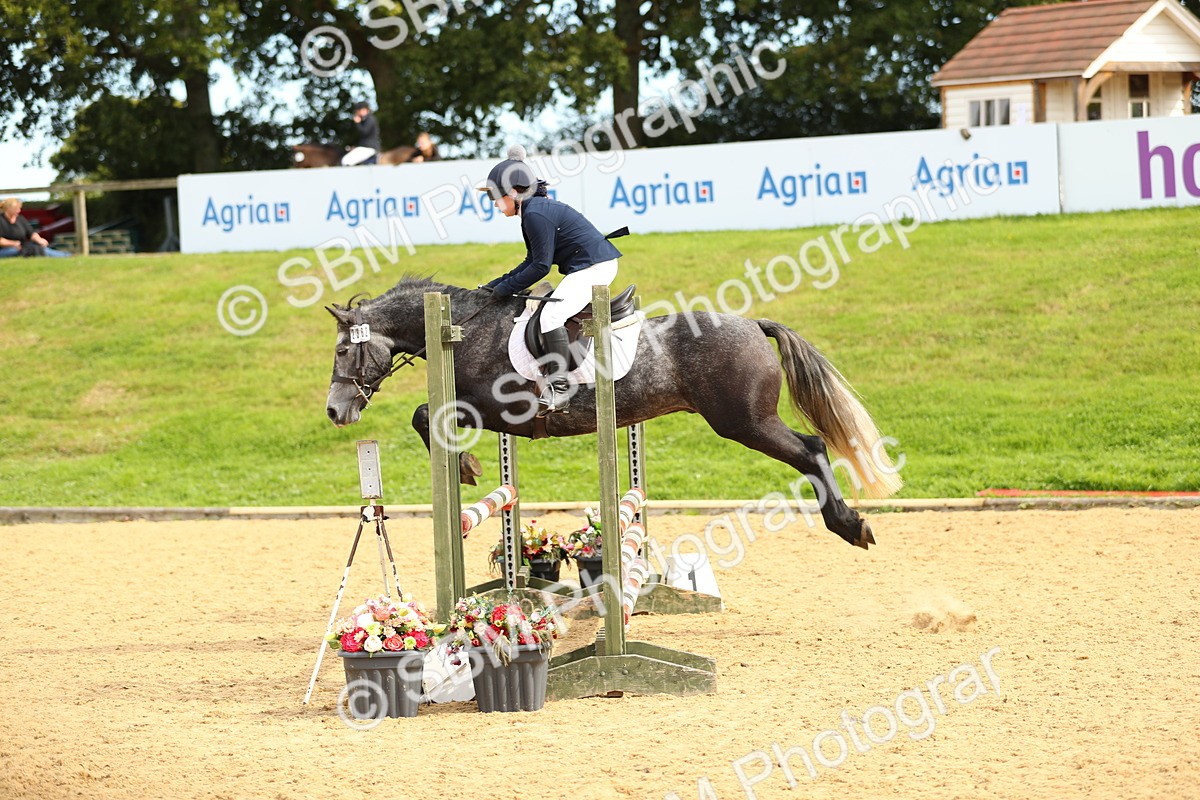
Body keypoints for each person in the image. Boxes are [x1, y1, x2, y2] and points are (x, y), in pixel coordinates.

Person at [477, 145, 623, 416]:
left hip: (595, 267)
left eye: (494, 197)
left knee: (551, 317)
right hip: (589, 265)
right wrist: (495, 285)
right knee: (550, 313)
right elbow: (531, 261)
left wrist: (504, 289)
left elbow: (541, 267)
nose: (494, 204)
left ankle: (559, 389)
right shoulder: (532, 210)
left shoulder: (534, 214)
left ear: (512, 193)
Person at [0, 198, 71, 258]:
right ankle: (65, 256)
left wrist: (39, 240)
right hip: (5, 250)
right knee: (23, 250)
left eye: (19, 208)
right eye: (16, 209)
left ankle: (66, 255)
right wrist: (13, 243)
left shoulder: (20, 219)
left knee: (38, 248)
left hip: (22, 247)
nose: (18, 211)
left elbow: (32, 233)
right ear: (8, 209)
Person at [341, 102, 380, 166]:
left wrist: (358, 123)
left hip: (369, 148)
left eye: (358, 111)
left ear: (365, 110)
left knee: (346, 161)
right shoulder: (364, 120)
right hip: (365, 147)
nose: (357, 113)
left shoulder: (370, 119)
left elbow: (364, 132)